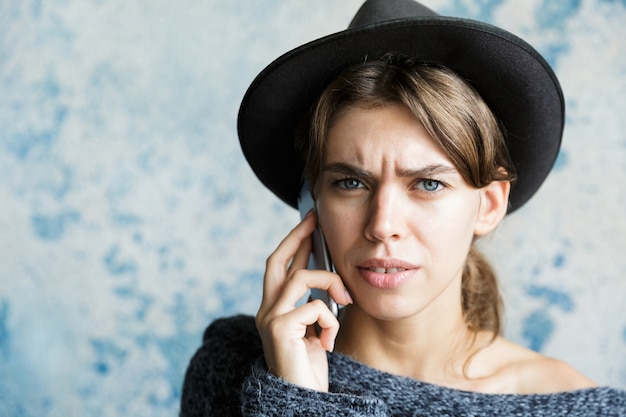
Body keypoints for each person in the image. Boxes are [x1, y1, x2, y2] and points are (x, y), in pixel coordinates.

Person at [180, 0, 626, 415]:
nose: (382, 225)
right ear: (311, 201)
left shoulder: (577, 405)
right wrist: (295, 396)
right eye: (350, 182)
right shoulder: (234, 366)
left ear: (488, 204)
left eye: (428, 183)